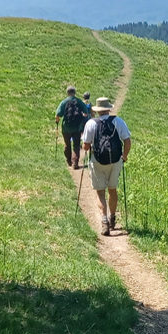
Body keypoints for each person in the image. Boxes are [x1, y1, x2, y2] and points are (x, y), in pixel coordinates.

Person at [82, 97, 131, 235]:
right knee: (113, 190)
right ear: (109, 109)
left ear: (97, 111)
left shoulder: (91, 124)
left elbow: (85, 146)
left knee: (100, 192)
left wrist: (87, 145)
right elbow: (127, 141)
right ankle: (113, 218)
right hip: (115, 161)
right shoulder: (118, 122)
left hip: (97, 161)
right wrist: (124, 156)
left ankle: (104, 221)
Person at [54, 85, 89, 169]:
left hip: (66, 127)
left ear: (67, 93)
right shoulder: (79, 101)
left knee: (67, 144)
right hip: (77, 127)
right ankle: (75, 163)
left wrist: (57, 121)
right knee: (76, 145)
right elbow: (86, 112)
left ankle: (69, 161)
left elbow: (58, 114)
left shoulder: (64, 102)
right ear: (74, 93)